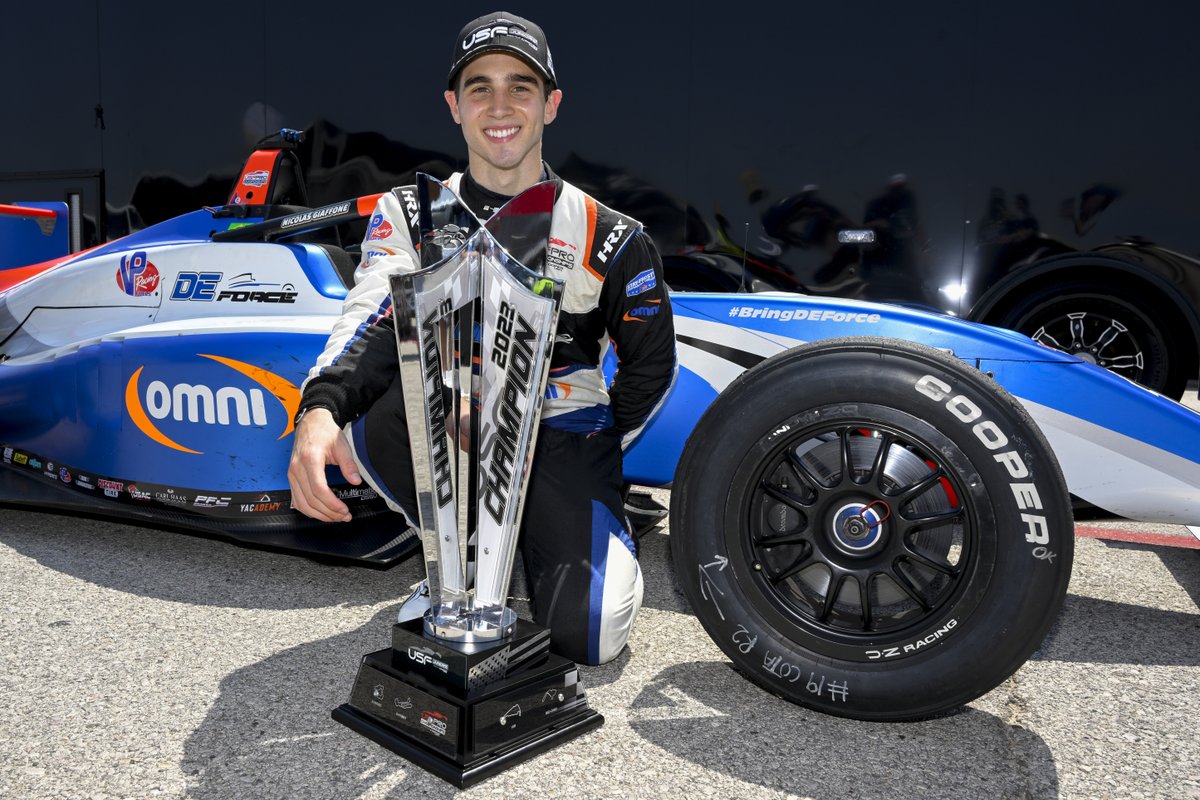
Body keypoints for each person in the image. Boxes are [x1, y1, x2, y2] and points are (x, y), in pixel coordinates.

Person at [286, 12, 676, 666]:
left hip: (562, 431)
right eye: (480, 88)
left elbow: (649, 370)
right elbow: (372, 320)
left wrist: (591, 450)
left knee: (593, 636)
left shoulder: (610, 233)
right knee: (365, 413)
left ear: (550, 104)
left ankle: (573, 528)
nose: (500, 106)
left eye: (520, 87)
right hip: (451, 423)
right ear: (454, 106)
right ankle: (456, 554)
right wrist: (319, 408)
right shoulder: (411, 213)